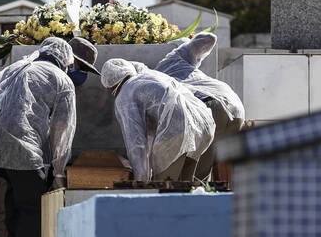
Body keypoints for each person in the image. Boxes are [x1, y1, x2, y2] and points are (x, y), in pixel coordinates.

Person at [0, 37, 77, 237]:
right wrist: (58, 171)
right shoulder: (61, 79)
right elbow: (62, 132)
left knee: (11, 204)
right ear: (66, 61)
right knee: (33, 210)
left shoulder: (17, 67)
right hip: (23, 149)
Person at [100, 58, 215, 181]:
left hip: (178, 129)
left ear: (109, 86)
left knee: (162, 184)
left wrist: (141, 179)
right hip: (204, 124)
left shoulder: (125, 95)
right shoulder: (149, 76)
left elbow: (136, 142)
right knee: (186, 184)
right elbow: (151, 136)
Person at [155, 32, 245, 180]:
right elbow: (210, 40)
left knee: (189, 173)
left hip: (211, 107)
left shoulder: (171, 60)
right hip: (236, 109)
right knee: (202, 172)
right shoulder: (189, 69)